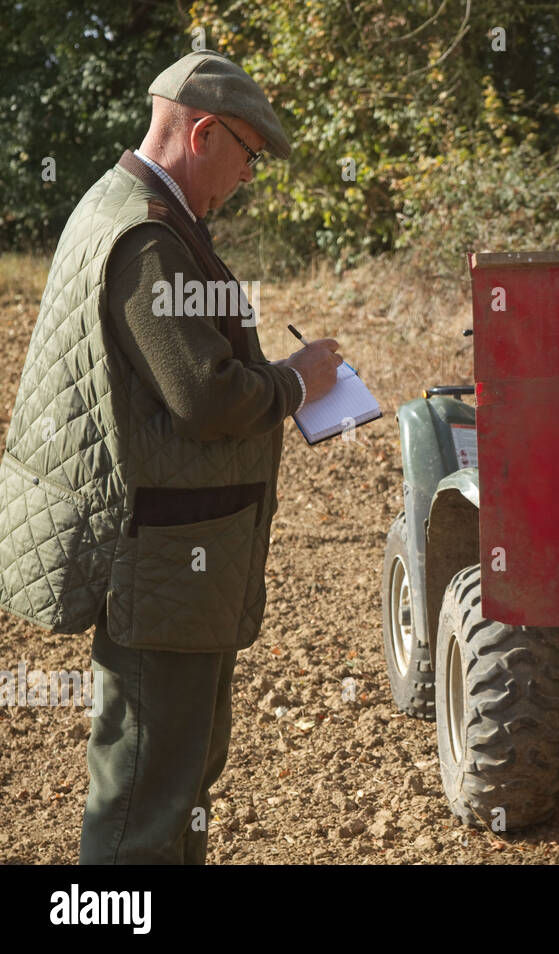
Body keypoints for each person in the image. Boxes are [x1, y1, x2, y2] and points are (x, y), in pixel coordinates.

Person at [0, 50, 341, 863]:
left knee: (175, 781)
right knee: (146, 802)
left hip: (176, 560)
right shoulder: (149, 237)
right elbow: (206, 396)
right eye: (248, 155)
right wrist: (296, 382)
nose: (248, 175)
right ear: (203, 131)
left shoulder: (124, 206)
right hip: (167, 565)